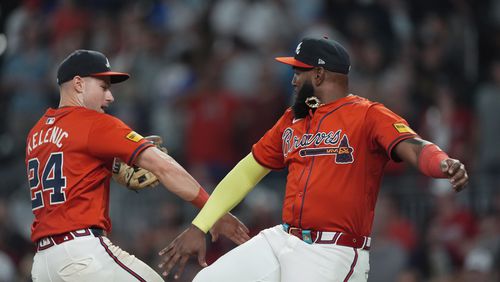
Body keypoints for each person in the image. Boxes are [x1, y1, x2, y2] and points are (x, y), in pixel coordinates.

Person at [158, 37, 469, 282]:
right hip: (283, 238)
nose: (293, 80)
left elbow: (412, 145)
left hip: (331, 251)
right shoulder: (293, 119)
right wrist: (201, 225)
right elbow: (246, 172)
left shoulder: (367, 114)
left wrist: (441, 162)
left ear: (319, 74)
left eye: (298, 71)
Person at [26, 49, 250, 282]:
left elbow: (74, 167)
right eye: (103, 87)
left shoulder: (37, 132)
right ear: (79, 84)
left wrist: (110, 166)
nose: (110, 97)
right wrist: (212, 211)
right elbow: (164, 167)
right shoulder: (94, 123)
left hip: (43, 264)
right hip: (82, 255)